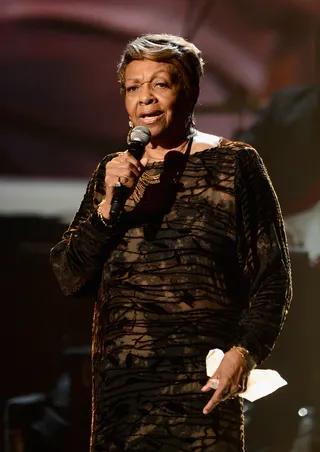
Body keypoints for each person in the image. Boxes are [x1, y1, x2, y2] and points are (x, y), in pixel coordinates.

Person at [50, 33, 292, 452]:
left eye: (160, 84)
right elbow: (71, 277)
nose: (145, 99)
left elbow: (273, 277)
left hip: (201, 388)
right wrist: (108, 207)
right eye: (132, 87)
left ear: (190, 91)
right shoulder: (113, 173)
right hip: (122, 393)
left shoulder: (235, 163)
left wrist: (245, 352)